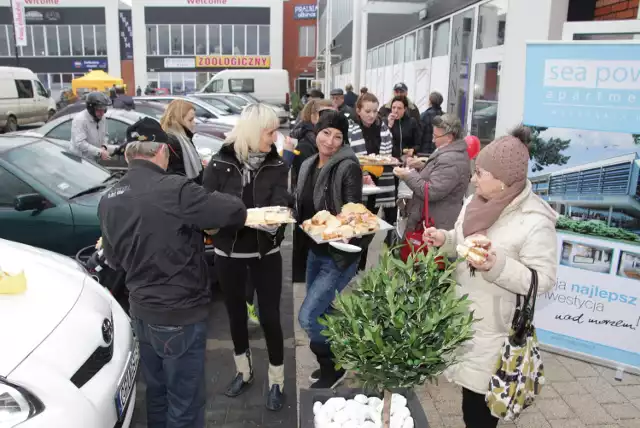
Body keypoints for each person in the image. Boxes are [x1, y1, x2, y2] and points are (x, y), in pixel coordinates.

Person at [98, 119, 247, 428]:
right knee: (185, 402)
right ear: (163, 151)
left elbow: (113, 259)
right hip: (179, 313)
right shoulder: (175, 189)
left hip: (140, 311)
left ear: (128, 154)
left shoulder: (108, 199)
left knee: (157, 392)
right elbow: (234, 211)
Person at [422, 126, 558, 428]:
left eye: (480, 173)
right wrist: (443, 239)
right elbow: (461, 237)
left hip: (495, 330)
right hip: (463, 316)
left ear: (503, 181)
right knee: (470, 403)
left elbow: (544, 280)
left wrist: (497, 265)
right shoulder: (477, 202)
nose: (473, 178)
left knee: (479, 411)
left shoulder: (535, 222)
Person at [202, 104, 290, 411]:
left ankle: (277, 379)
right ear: (253, 132)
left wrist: (277, 217)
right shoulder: (219, 164)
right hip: (229, 253)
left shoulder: (277, 164)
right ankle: (244, 371)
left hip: (267, 252)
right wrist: (231, 219)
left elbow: (282, 200)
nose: (275, 136)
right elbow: (206, 207)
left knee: (269, 318)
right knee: (236, 316)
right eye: (270, 131)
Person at [295, 110, 371, 388]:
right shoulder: (308, 164)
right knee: (323, 311)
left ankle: (334, 363)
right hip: (315, 250)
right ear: (316, 132)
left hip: (339, 254)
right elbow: (301, 205)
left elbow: (352, 210)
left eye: (338, 136)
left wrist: (339, 225)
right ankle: (343, 350)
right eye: (326, 133)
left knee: (308, 316)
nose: (330, 141)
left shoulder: (347, 166)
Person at [394, 114, 470, 232]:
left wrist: (408, 175)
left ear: (449, 137)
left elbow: (431, 191)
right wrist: (423, 166)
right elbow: (440, 175)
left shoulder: (450, 159)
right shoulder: (450, 153)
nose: (433, 140)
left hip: (437, 224)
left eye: (436, 136)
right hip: (435, 218)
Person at [288, 99, 334, 282]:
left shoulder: (324, 139)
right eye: (326, 115)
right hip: (310, 210)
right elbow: (307, 181)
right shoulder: (306, 144)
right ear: (314, 117)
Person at [349, 92, 396, 263]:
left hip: (379, 185)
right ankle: (351, 264)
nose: (372, 115)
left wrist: (392, 160)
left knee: (369, 229)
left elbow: (389, 154)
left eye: (375, 111)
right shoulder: (350, 129)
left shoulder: (383, 129)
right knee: (355, 228)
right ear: (359, 110)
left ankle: (360, 264)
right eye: (368, 111)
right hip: (357, 185)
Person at [160, 99, 204, 183]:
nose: (194, 123)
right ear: (178, 120)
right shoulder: (172, 142)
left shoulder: (184, 137)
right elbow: (176, 174)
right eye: (190, 120)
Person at [70, 92, 117, 160]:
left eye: (104, 110)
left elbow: (105, 135)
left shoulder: (102, 118)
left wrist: (104, 146)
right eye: (99, 110)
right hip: (80, 160)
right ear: (91, 109)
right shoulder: (80, 119)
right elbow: (80, 143)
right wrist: (99, 152)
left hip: (94, 160)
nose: (102, 113)